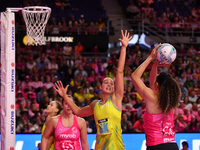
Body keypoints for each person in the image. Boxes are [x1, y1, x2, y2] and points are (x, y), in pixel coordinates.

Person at [54, 30, 132, 149]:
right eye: (106, 82)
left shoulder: (116, 99)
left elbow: (120, 71)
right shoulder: (95, 104)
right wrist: (64, 96)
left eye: (111, 83)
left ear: (113, 89)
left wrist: (123, 48)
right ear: (100, 87)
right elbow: (79, 112)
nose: (109, 84)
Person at [131, 43, 181, 150]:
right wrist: (155, 65)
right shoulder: (169, 101)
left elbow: (135, 77)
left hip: (156, 146)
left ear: (157, 85)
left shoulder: (153, 98)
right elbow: (153, 83)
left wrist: (150, 58)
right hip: (172, 145)